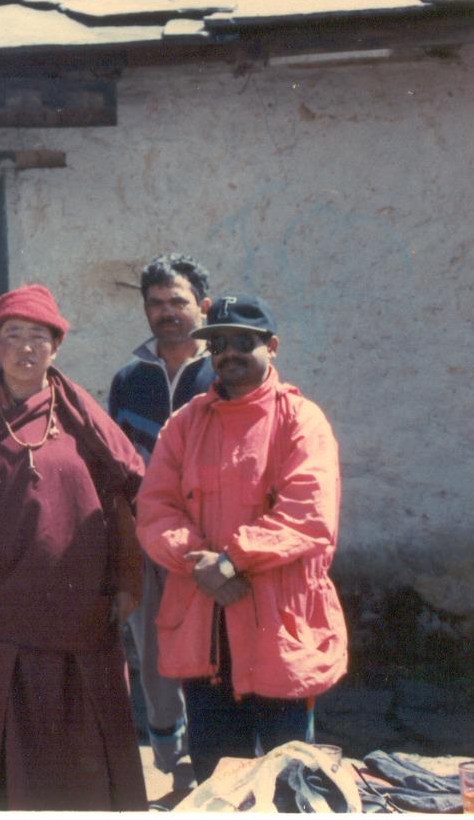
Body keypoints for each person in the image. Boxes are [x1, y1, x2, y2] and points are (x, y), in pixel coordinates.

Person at [0, 284, 148, 810]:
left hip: (76, 611)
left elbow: (120, 501)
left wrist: (128, 581)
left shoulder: (82, 415)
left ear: (56, 347)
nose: (25, 348)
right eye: (12, 336)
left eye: (38, 337)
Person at [136, 294, 347, 784]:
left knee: (290, 781)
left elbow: (309, 515)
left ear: (272, 346)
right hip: (205, 631)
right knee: (217, 782)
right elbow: (154, 509)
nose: (228, 353)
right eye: (218, 345)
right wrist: (199, 562)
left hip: (278, 632)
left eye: (242, 342)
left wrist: (229, 561)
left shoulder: (302, 420)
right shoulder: (184, 424)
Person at [108, 253, 215, 775]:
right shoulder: (129, 379)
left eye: (178, 301)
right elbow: (117, 462)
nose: (167, 312)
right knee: (152, 651)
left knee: (211, 648)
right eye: (156, 303)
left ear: (203, 306)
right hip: (146, 535)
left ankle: (213, 753)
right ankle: (170, 758)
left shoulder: (223, 372)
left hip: (208, 538)